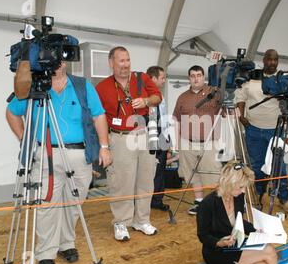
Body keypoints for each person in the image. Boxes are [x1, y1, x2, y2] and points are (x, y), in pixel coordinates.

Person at [6, 61, 112, 264]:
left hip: (79, 155)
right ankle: (46, 254)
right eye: (54, 55)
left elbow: (98, 115)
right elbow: (11, 111)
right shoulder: (34, 86)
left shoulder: (83, 86)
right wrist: (24, 139)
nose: (59, 61)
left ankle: (66, 243)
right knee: (47, 205)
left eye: (63, 55)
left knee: (74, 204)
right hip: (46, 155)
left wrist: (104, 147)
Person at [95, 46, 162, 241]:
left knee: (146, 180)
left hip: (144, 135)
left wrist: (147, 101)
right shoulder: (102, 87)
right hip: (119, 138)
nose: (125, 65)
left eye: (127, 60)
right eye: (121, 61)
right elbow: (96, 117)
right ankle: (121, 222)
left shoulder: (142, 78)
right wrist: (103, 145)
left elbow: (158, 97)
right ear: (111, 63)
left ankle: (141, 220)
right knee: (121, 182)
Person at [236, 49, 288, 213]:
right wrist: (241, 117)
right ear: (264, 60)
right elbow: (240, 98)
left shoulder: (283, 79)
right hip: (253, 129)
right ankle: (258, 195)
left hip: (276, 129)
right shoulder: (252, 77)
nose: (273, 62)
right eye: (270, 59)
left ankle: (284, 198)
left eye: (276, 59)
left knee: (278, 165)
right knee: (257, 165)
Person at [196, 161, 280, 264]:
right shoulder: (208, 203)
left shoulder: (238, 196)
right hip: (216, 251)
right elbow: (203, 235)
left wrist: (256, 230)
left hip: (235, 244)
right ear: (229, 183)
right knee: (270, 251)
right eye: (241, 187)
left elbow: (239, 221)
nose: (244, 190)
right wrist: (220, 242)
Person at [172, 65, 222, 215]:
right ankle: (199, 202)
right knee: (193, 175)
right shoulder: (182, 97)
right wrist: (177, 143)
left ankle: (215, 204)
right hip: (187, 143)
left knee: (212, 174)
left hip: (209, 142)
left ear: (203, 77)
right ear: (189, 78)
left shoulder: (214, 94)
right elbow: (176, 120)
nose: (196, 78)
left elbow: (225, 113)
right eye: (192, 75)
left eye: (199, 75)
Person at [146, 66, 170, 211]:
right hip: (148, 135)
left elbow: (165, 118)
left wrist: (167, 139)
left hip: (162, 134)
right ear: (153, 79)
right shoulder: (144, 96)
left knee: (160, 169)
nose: (164, 80)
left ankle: (157, 200)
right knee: (146, 170)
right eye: (162, 77)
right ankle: (143, 200)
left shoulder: (162, 95)